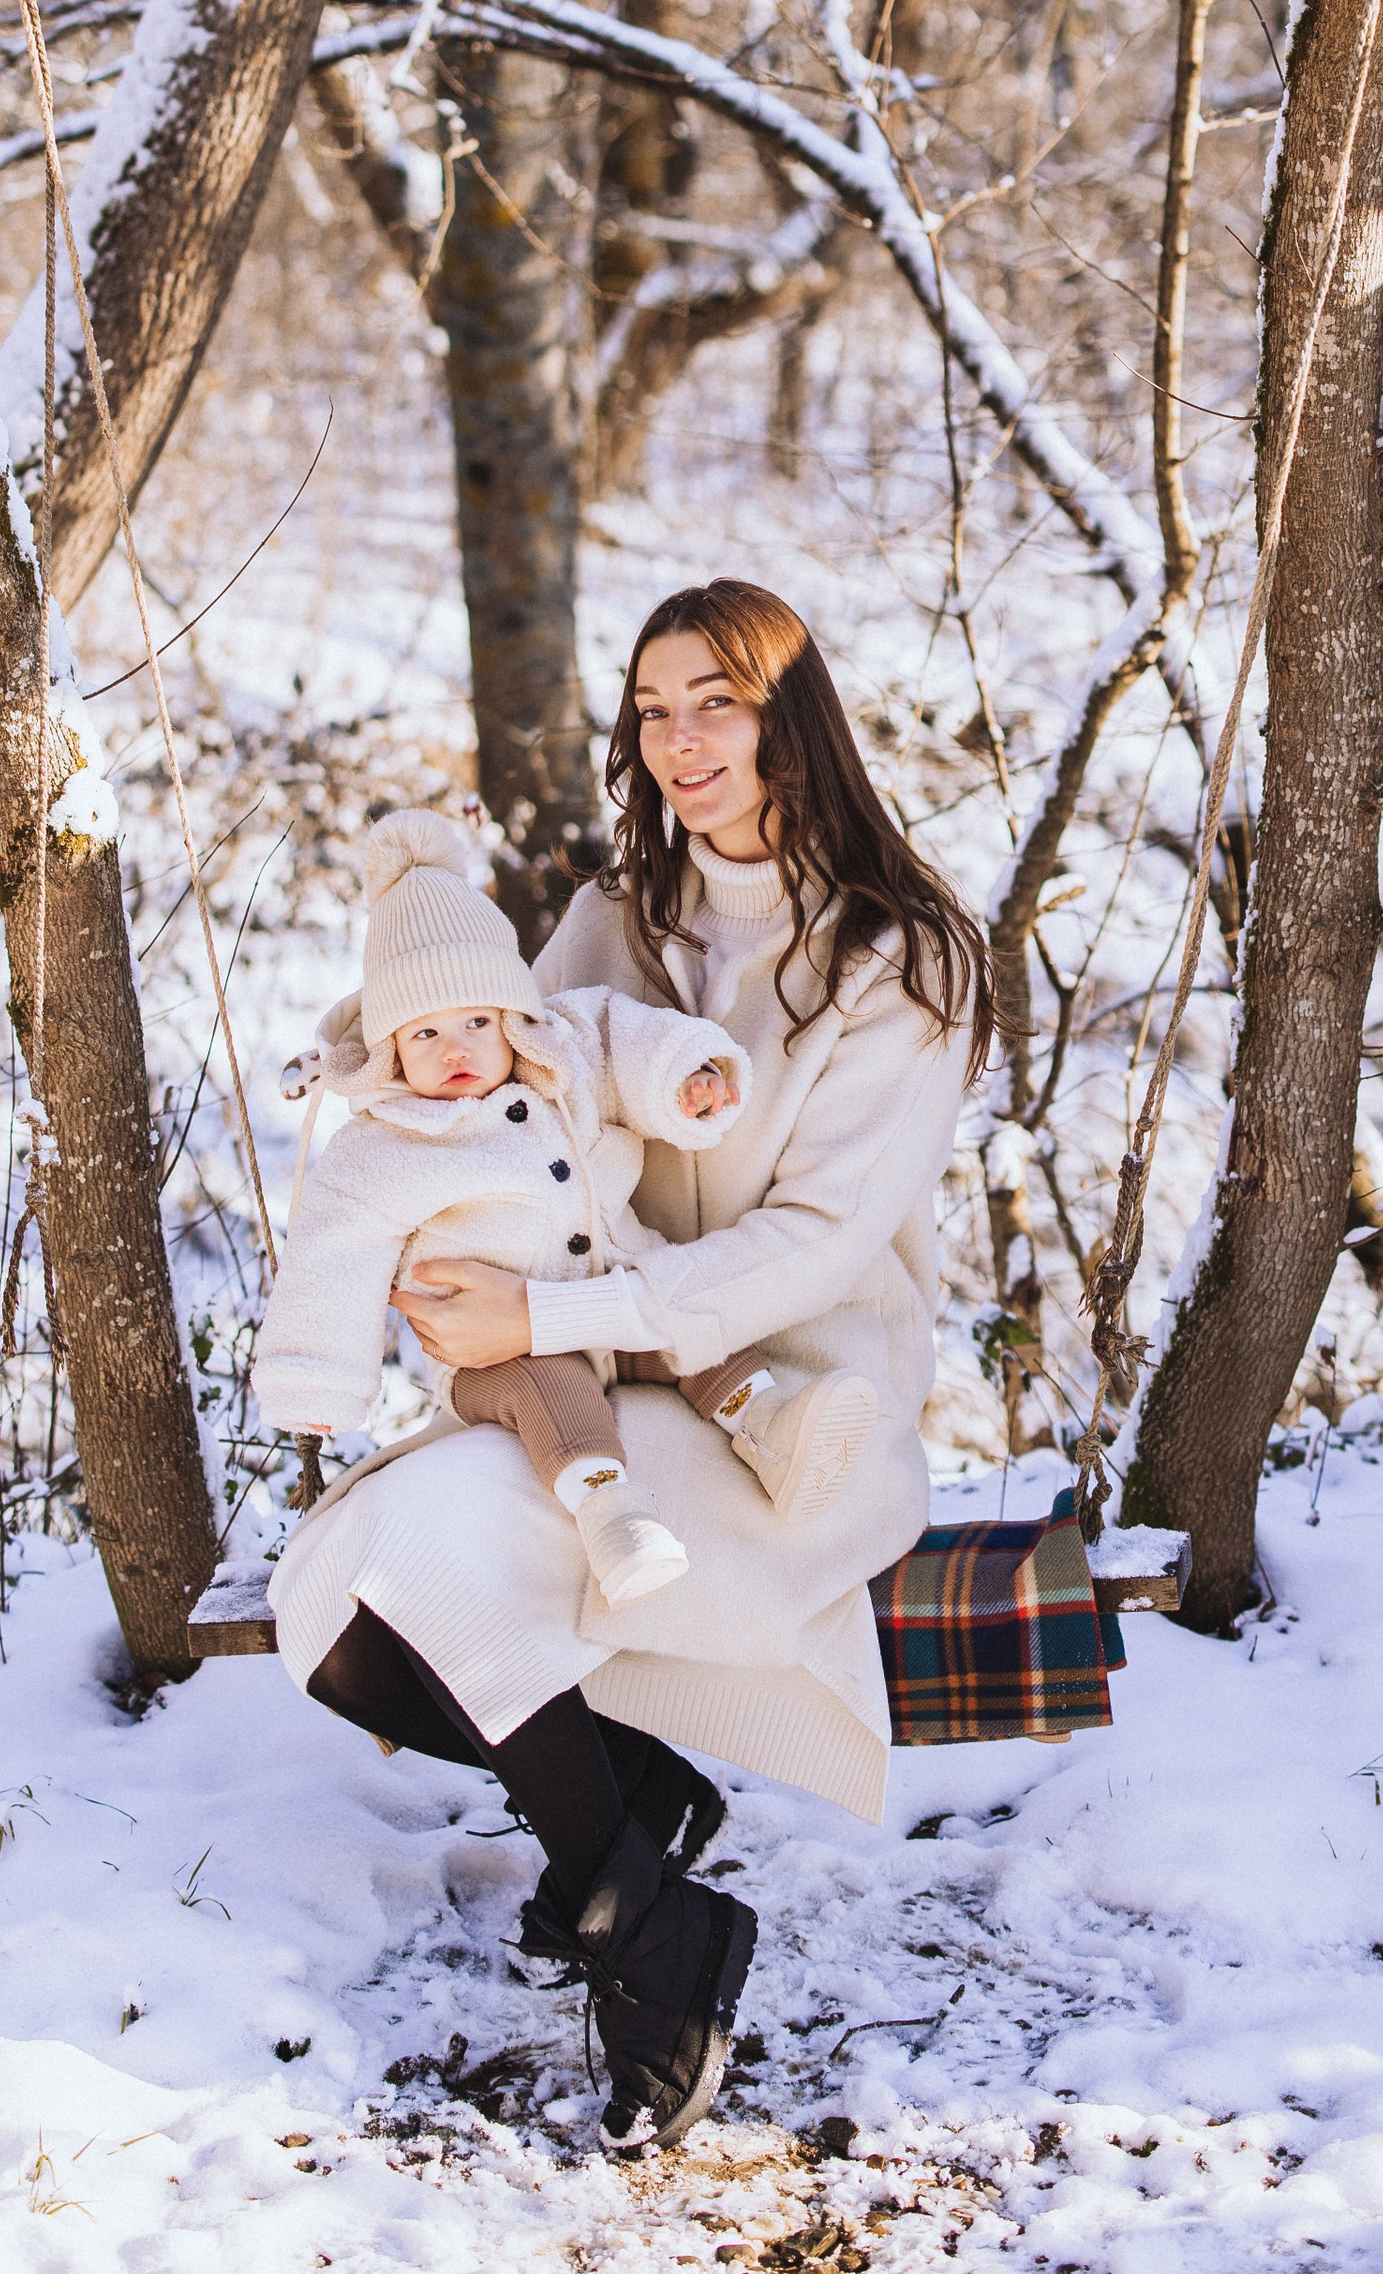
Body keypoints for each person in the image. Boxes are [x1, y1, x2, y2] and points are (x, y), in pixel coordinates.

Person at [267, 583, 990, 2153]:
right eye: (654, 709)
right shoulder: (618, 915)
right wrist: (419, 1247)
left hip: (788, 1414)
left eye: (717, 700)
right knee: (334, 1615)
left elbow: (810, 1244)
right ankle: (642, 1836)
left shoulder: (903, 957)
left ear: (794, 715)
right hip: (606, 1385)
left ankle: (648, 1945)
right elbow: (488, 1105)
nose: (681, 740)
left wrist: (538, 1323)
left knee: (424, 1544)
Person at [256, 809, 871, 1605]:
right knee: (551, 1393)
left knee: (691, 1328)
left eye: (477, 1021)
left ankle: (773, 1427)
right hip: (493, 1354)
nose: (456, 1048)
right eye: (424, 1034)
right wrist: (317, 1387)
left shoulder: (565, 1054)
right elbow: (330, 1255)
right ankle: (614, 1517)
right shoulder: (385, 1145)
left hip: (613, 1291)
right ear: (390, 1049)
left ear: (514, 1017)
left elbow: (631, 1045)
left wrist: (687, 1081)